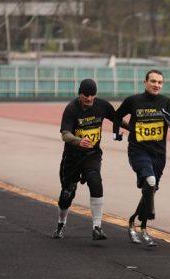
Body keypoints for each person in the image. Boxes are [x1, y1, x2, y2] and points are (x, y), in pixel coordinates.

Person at [113, 69, 170, 247]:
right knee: (150, 181)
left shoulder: (166, 102)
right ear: (145, 82)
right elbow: (116, 116)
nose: (156, 85)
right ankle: (144, 223)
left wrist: (167, 117)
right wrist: (123, 130)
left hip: (159, 154)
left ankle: (135, 223)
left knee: (150, 190)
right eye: (153, 81)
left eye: (160, 82)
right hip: (138, 151)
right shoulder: (133, 100)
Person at [52, 78, 125, 240]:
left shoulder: (102, 105)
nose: (89, 98)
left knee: (95, 181)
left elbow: (117, 119)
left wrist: (133, 129)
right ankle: (61, 223)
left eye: (92, 95)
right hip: (72, 157)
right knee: (67, 194)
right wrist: (79, 141)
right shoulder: (71, 108)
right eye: (86, 95)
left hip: (92, 154)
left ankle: (97, 227)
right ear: (80, 94)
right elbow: (65, 134)